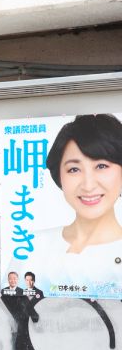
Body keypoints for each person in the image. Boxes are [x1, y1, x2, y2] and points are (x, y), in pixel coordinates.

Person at [31, 113, 122, 297]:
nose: (88, 185)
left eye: (102, 166)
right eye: (74, 169)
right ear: (60, 176)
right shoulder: (34, 245)